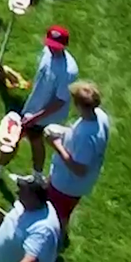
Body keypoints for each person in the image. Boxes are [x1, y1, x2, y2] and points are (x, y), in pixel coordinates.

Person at [0, 26, 77, 182]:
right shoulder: (47, 52)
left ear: (64, 46)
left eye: (56, 46)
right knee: (35, 140)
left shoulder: (68, 71)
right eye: (50, 44)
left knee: (14, 135)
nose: (52, 48)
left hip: (46, 114)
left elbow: (60, 101)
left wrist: (36, 117)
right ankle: (36, 177)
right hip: (33, 107)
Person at [45, 81, 110, 231]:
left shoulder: (85, 136)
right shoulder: (100, 117)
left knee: (56, 218)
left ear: (78, 104)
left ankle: (56, 240)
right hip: (75, 184)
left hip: (67, 185)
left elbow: (80, 169)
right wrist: (64, 132)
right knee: (62, 213)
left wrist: (56, 145)